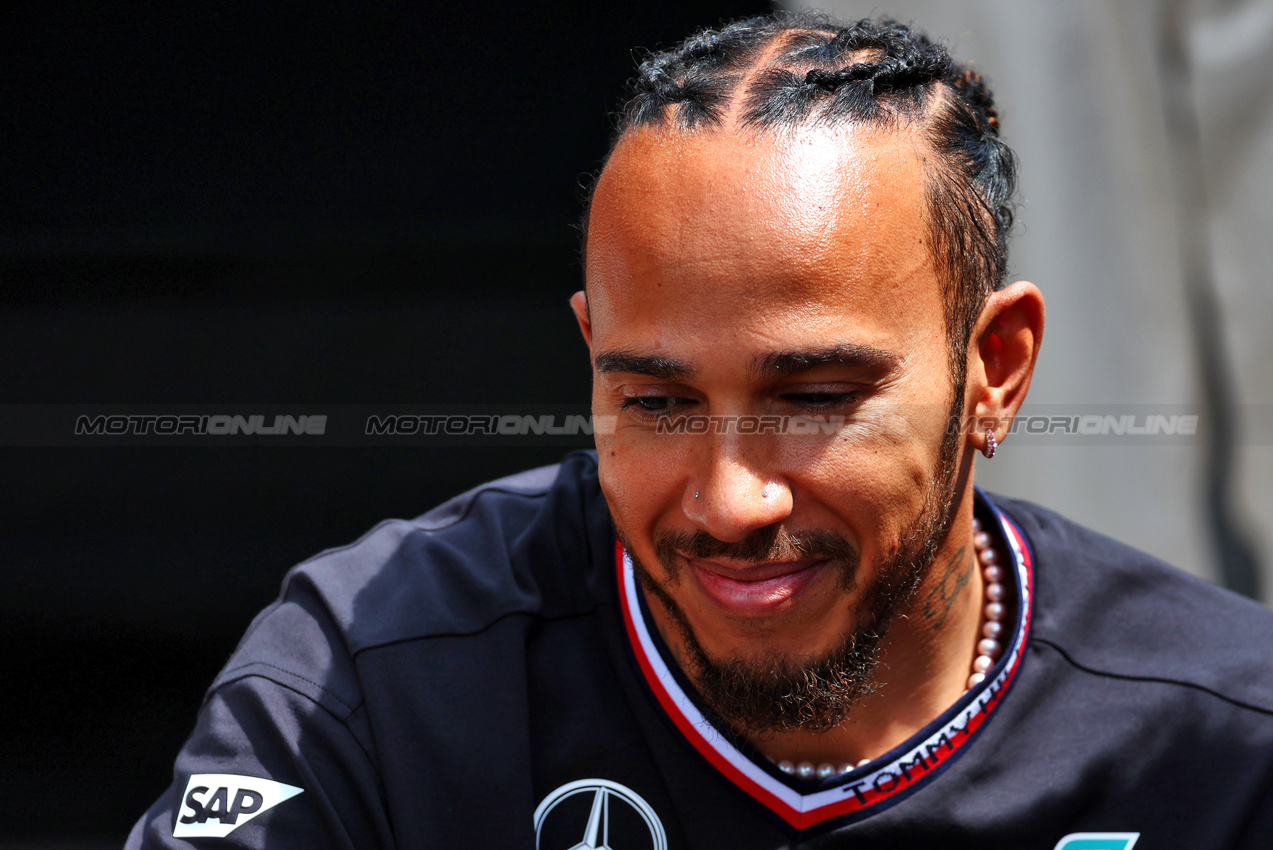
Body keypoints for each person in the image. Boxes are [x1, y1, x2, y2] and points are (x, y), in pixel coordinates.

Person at [127, 12, 1273, 848]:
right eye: (658, 402)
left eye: (816, 400)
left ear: (994, 369)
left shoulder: (1222, 738)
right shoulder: (376, 676)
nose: (730, 500)